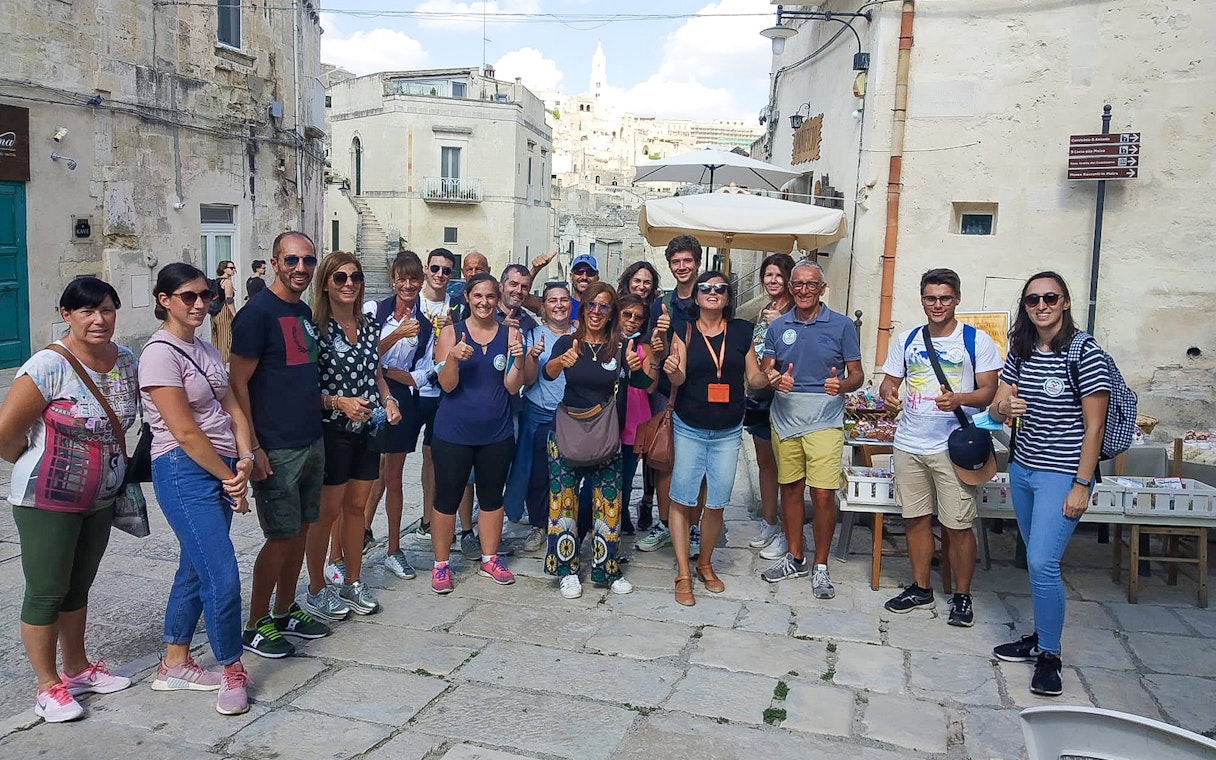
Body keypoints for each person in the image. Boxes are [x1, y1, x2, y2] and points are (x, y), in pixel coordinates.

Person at [141, 263, 283, 717]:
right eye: (188, 297)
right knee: (222, 574)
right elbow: (184, 431)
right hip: (185, 469)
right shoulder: (159, 354)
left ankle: (174, 662)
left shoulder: (202, 347)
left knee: (194, 567)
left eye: (206, 296)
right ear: (164, 300)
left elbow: (231, 405)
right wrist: (228, 478)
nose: (200, 304)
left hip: (221, 465)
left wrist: (242, 458)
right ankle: (231, 666)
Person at [0, 277, 137, 722]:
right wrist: (37, 462)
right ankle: (47, 686)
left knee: (78, 588)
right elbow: (5, 433)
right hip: (46, 500)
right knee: (46, 591)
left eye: (107, 310)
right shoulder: (47, 365)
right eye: (86, 311)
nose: (99, 320)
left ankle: (77, 669)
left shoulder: (126, 361)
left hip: (100, 498)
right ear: (67, 315)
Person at [987, 271, 1110, 697]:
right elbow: (996, 409)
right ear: (1025, 306)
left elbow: (1094, 427)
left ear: (1065, 302)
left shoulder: (1084, 351)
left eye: (1050, 297)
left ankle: (1050, 656)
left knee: (1042, 562)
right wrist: (1005, 404)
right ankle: (1040, 637)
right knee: (1037, 562)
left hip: (1063, 474)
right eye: (1032, 299)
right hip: (1023, 469)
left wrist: (1081, 484)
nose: (1041, 305)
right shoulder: (1020, 349)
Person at [879, 268, 1001, 627]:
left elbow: (990, 390)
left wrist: (959, 398)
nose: (937, 305)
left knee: (957, 525)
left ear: (957, 299)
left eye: (945, 298)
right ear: (922, 300)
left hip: (953, 445)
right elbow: (889, 383)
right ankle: (920, 587)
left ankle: (962, 595)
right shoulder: (907, 339)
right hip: (909, 442)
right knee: (915, 520)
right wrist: (889, 396)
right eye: (931, 298)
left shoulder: (975, 341)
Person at [228, 231, 326, 657]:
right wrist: (252, 446)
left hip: (310, 438)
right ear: (273, 262)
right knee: (280, 536)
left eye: (307, 261)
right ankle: (255, 623)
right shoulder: (256, 315)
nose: (301, 268)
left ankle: (286, 610)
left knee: (302, 530)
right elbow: (236, 385)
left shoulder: (303, 310)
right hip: (277, 446)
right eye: (292, 260)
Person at [302, 252, 402, 618]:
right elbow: (302, 387)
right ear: (326, 282)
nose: (349, 284)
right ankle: (316, 588)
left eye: (355, 277)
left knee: (357, 509)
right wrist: (338, 402)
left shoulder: (369, 324)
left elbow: (374, 372)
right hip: (331, 430)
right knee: (325, 514)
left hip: (368, 427)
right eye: (340, 277)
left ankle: (352, 581)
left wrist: (389, 399)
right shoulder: (313, 328)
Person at [759, 260, 864, 599]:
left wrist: (842, 385)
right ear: (791, 287)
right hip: (786, 417)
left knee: (821, 494)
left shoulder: (842, 325)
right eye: (798, 284)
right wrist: (775, 378)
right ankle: (795, 556)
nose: (804, 290)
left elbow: (857, 374)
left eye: (811, 284)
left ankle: (821, 565)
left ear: (822, 289)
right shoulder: (778, 327)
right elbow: (766, 370)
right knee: (789, 489)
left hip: (825, 418)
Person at [663, 272, 767, 606]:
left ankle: (705, 563)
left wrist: (771, 376)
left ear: (727, 296)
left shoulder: (741, 331)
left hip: (728, 430)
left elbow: (754, 377)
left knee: (717, 502)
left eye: (719, 288)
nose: (712, 292)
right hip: (689, 425)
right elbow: (678, 374)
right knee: (682, 498)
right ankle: (682, 572)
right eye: (705, 288)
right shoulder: (684, 329)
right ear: (695, 297)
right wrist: (671, 368)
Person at [430, 273, 526, 593]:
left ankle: (489, 558)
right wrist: (454, 357)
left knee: (491, 498)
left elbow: (512, 385)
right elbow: (447, 385)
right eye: (477, 296)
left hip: (496, 433)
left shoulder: (510, 332)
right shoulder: (450, 333)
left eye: (489, 296)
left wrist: (520, 357)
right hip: (453, 432)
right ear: (468, 298)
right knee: (446, 499)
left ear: (497, 298)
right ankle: (441, 565)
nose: (483, 302)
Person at [543, 282, 636, 599]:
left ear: (612, 313)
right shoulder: (568, 342)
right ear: (582, 308)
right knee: (562, 502)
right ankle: (567, 571)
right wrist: (560, 361)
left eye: (604, 306)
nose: (597, 311)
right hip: (567, 430)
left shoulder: (621, 347)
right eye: (592, 305)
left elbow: (645, 381)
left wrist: (644, 365)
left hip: (606, 433)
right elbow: (549, 373)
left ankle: (607, 570)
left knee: (609, 504)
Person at [364, 251, 432, 581]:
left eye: (413, 279)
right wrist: (396, 334)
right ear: (393, 279)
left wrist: (393, 371)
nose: (407, 285)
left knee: (393, 475)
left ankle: (393, 547)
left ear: (421, 281)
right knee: (363, 474)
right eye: (401, 278)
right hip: (368, 394)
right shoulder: (374, 311)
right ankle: (358, 534)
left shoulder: (427, 325)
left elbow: (423, 373)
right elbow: (362, 353)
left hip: (401, 396)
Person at [638, 235, 702, 555]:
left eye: (687, 261)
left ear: (698, 263)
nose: (681, 267)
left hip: (700, 392)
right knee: (663, 460)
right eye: (676, 261)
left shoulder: (709, 298)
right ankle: (664, 523)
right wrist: (660, 336)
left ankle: (692, 527)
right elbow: (654, 351)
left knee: (697, 465)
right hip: (667, 391)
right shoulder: (661, 304)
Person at [416, 247, 478, 551]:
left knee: (433, 456)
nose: (440, 274)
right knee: (386, 463)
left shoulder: (457, 309)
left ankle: (429, 519)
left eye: (446, 270)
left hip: (441, 391)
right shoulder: (410, 302)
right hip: (408, 389)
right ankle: (365, 529)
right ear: (426, 269)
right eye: (435, 268)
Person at [514, 284, 574, 553]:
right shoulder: (534, 334)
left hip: (572, 416)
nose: (559, 305)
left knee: (569, 472)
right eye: (552, 300)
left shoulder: (581, 334)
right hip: (539, 412)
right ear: (544, 306)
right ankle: (539, 524)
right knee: (538, 473)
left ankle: (564, 521)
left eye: (564, 300)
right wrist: (533, 356)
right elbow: (527, 379)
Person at [747, 254, 797, 560]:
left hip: (785, 396)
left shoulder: (796, 312)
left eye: (779, 275)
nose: (773, 280)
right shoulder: (764, 310)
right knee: (764, 461)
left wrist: (781, 325)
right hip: (759, 393)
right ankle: (769, 521)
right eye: (768, 275)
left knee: (786, 465)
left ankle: (786, 533)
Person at [616, 293, 658, 535]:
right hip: (612, 416)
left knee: (628, 473)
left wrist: (653, 360)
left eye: (638, 317)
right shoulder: (608, 341)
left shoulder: (644, 347)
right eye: (627, 314)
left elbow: (650, 386)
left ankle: (621, 515)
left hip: (636, 416)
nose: (632, 320)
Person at [211, 260, 238, 362]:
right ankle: (222, 366)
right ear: (224, 269)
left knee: (215, 340)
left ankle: (215, 363)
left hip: (214, 313)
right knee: (226, 340)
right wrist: (235, 315)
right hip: (224, 312)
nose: (233, 270)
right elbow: (229, 301)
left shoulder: (216, 281)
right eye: (231, 268)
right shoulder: (227, 282)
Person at [567, 254, 600, 320]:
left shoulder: (602, 307)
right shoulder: (562, 306)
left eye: (590, 272)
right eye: (579, 272)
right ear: (571, 276)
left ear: (597, 278)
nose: (584, 277)